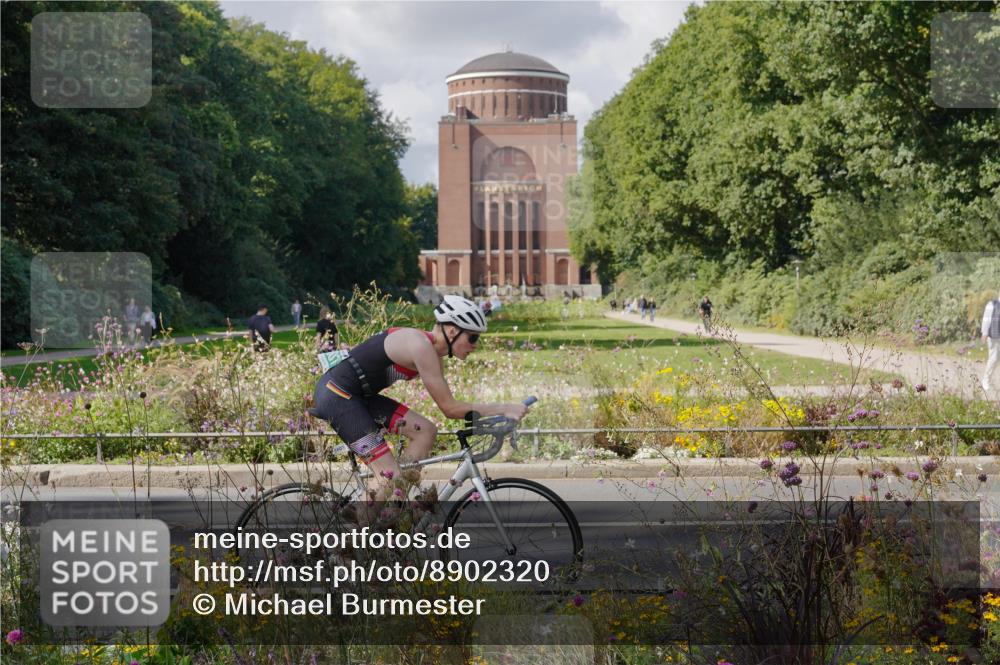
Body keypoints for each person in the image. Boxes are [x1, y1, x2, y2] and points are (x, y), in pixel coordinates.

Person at [310, 295, 528, 499]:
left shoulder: (431, 354)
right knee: (388, 476)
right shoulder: (419, 345)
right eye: (473, 337)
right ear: (452, 331)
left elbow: (452, 406)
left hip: (357, 396)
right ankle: (357, 535)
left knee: (426, 431)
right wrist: (504, 408)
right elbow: (449, 409)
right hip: (338, 395)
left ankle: (396, 504)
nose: (476, 345)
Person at [982, 289, 1000, 394]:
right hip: (994, 336)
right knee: (993, 359)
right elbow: (986, 318)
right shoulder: (992, 304)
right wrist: (984, 332)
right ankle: (986, 380)